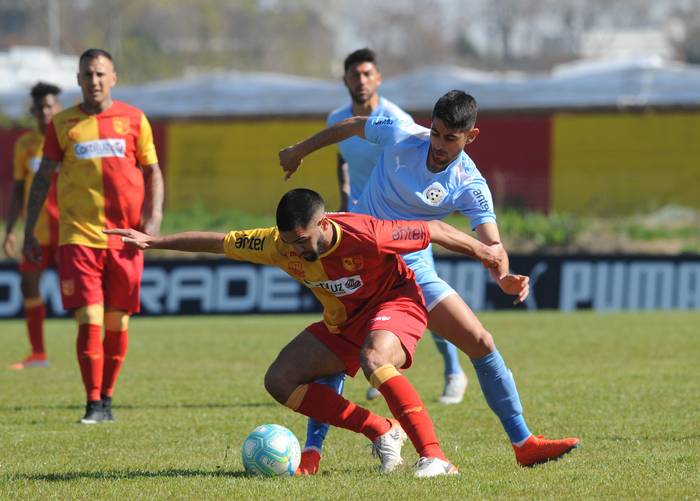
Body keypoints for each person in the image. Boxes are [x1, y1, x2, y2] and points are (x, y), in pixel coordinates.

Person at [105, 188, 510, 477]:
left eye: (301, 241)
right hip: (344, 323)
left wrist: (488, 253)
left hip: (396, 305)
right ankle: (382, 430)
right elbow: (218, 243)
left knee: (375, 358)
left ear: (322, 223)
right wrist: (155, 241)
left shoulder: (366, 232)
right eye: (287, 242)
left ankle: (436, 458)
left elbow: (435, 229)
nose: (294, 251)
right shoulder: (277, 244)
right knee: (279, 380)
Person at [279, 90, 581, 471]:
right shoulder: (402, 133)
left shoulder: (469, 183)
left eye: (450, 138)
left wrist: (502, 275)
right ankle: (312, 453)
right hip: (360, 263)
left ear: (471, 137)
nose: (438, 145)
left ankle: (524, 443)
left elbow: (492, 241)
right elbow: (353, 126)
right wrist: (300, 150)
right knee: (335, 355)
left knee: (482, 342)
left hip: (413, 272)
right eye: (436, 133)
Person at [300, 47, 469, 475]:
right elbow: (343, 160)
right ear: (345, 80)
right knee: (340, 326)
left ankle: (453, 372)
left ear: (378, 79)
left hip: (399, 232)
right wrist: (341, 214)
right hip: (357, 229)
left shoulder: (395, 120)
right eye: (354, 74)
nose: (361, 80)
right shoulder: (335, 118)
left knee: (421, 301)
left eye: (368, 73)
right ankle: (315, 448)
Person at [22, 48, 164, 424]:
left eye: (101, 74)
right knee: (90, 317)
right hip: (79, 238)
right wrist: (29, 229)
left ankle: (108, 399)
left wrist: (155, 215)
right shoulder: (63, 124)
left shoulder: (135, 120)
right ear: (78, 80)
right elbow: (42, 178)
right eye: (87, 75)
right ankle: (93, 403)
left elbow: (153, 171)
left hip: (125, 239)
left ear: (113, 78)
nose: (94, 81)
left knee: (118, 323)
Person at [3, 82, 62, 370]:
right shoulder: (25, 145)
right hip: (35, 232)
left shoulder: (69, 139)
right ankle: (38, 354)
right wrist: (9, 229)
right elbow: (17, 189)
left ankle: (91, 351)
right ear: (33, 111)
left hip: (69, 230)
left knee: (82, 291)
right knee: (29, 285)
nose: (45, 112)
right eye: (40, 108)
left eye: (50, 106)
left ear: (58, 108)